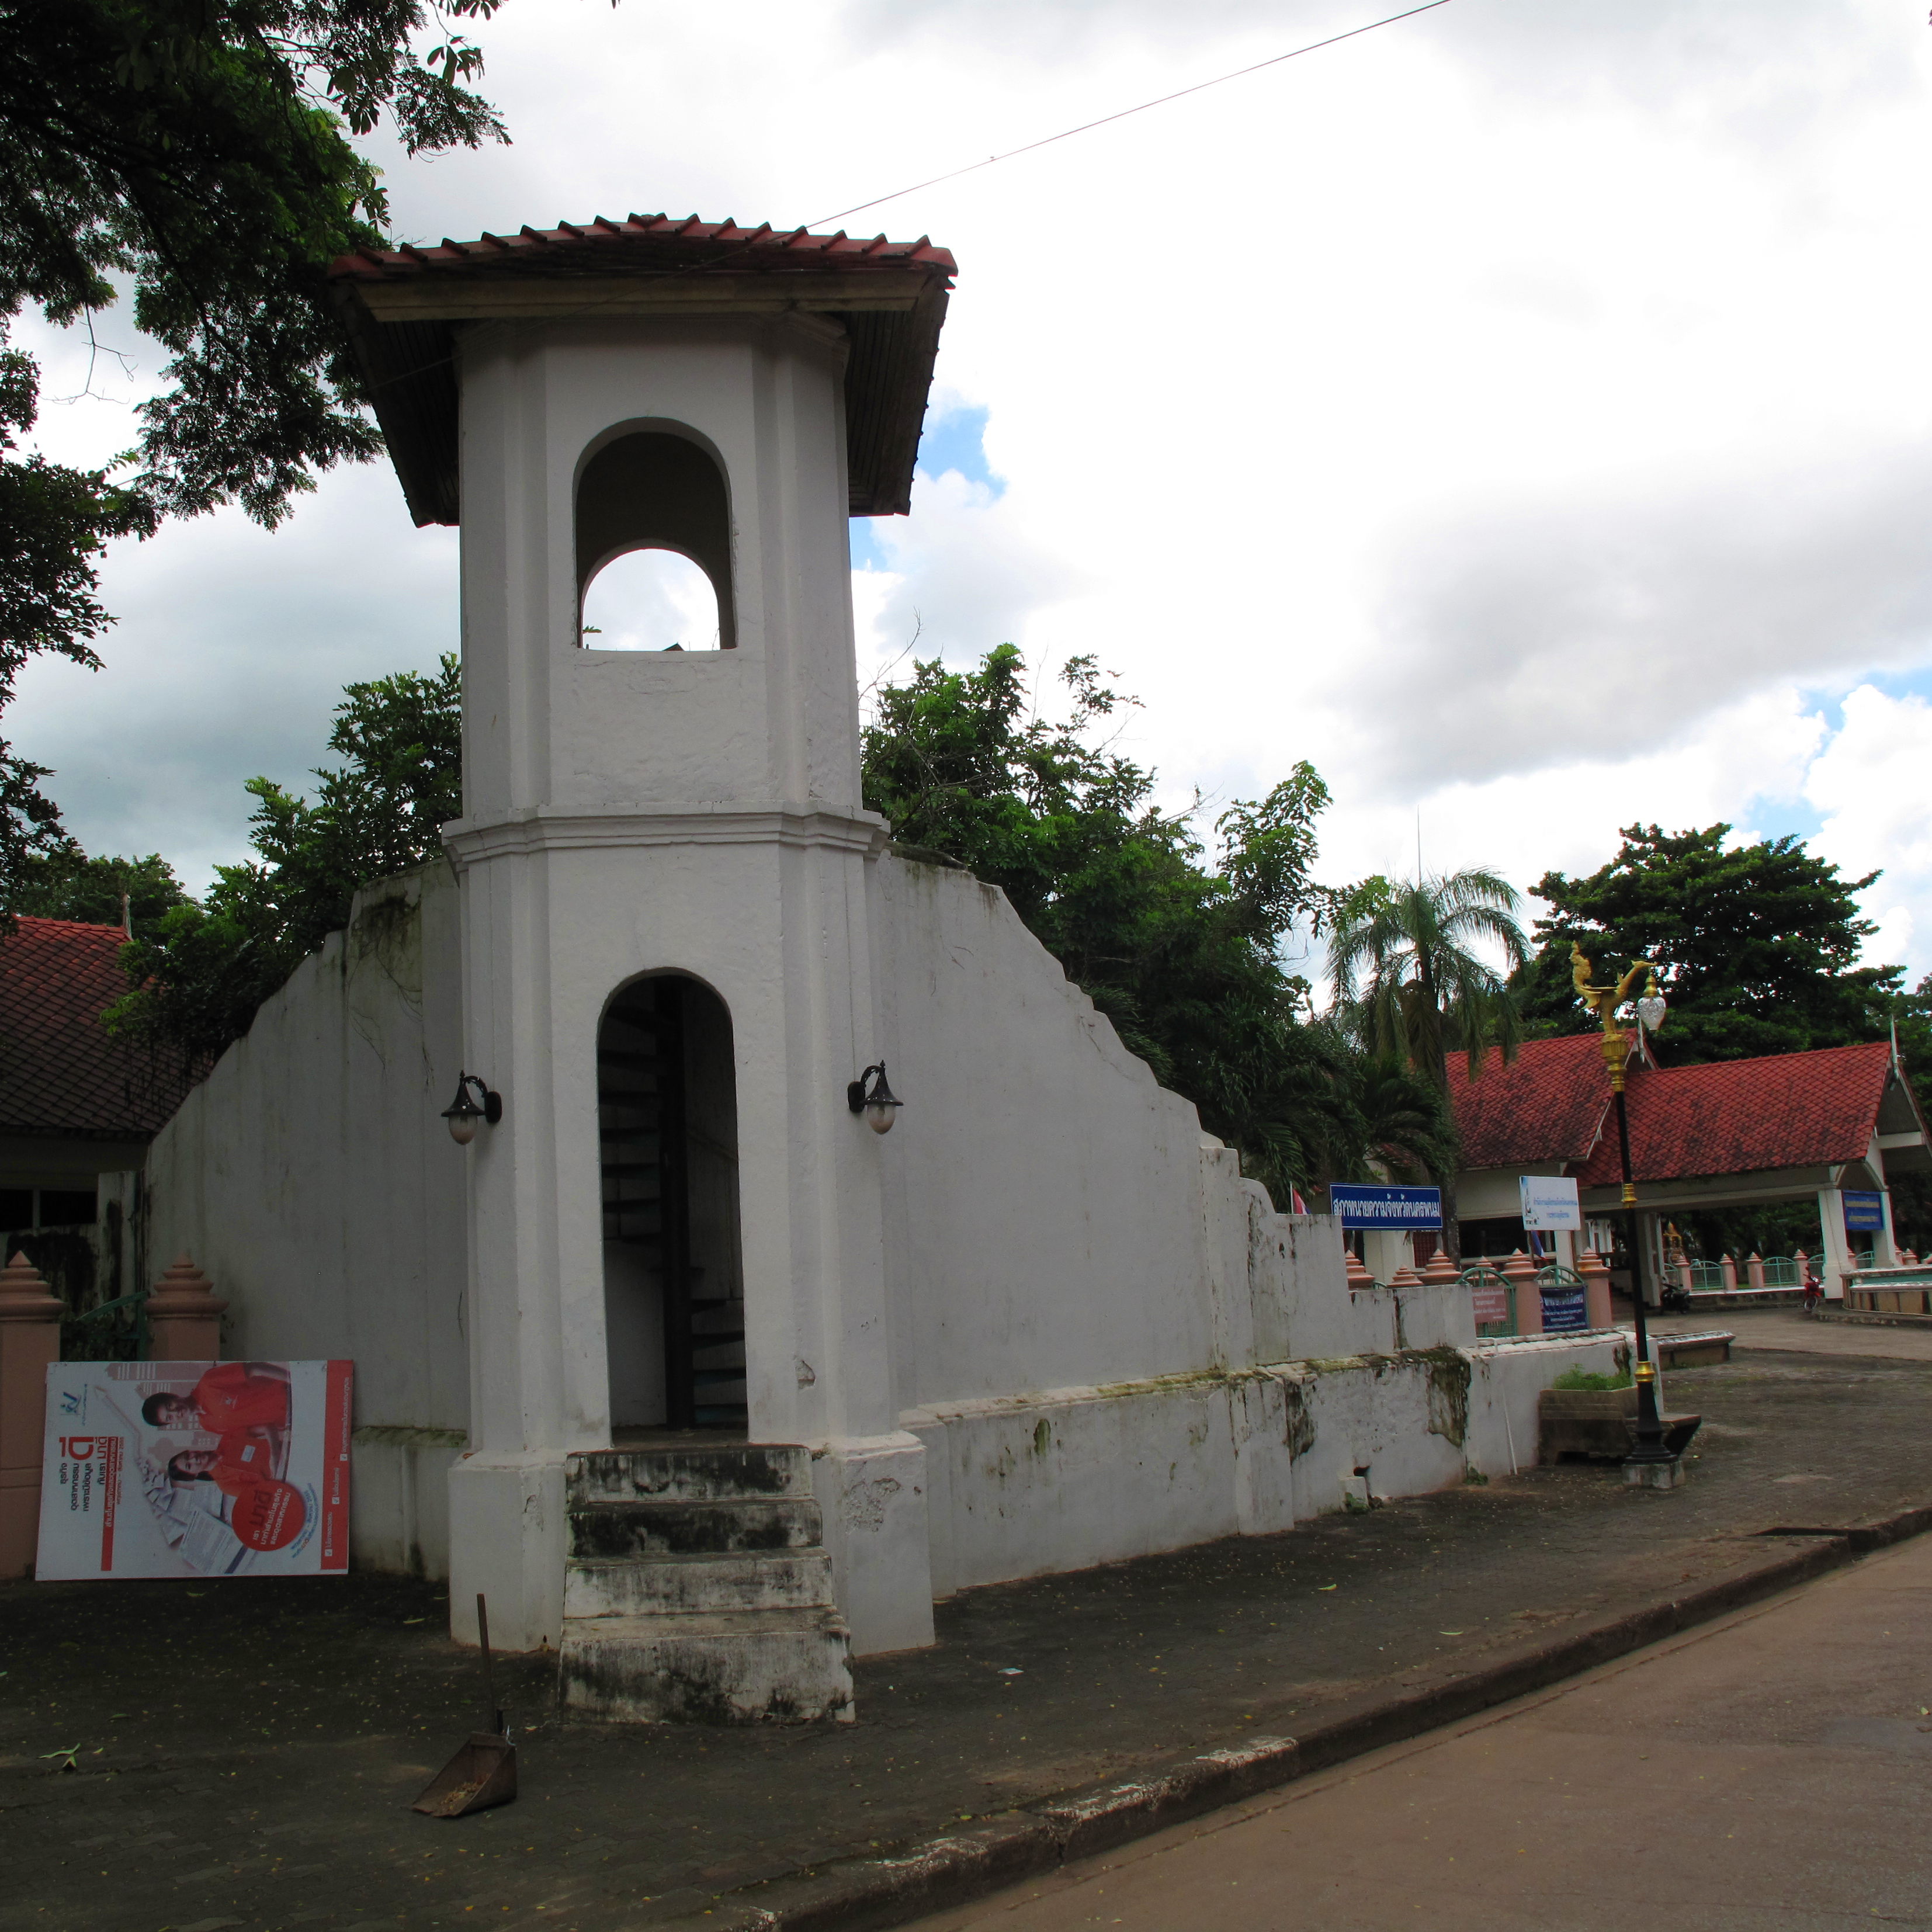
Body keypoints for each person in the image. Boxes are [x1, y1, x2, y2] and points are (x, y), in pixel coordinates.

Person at [142, 1362, 290, 1434]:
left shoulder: (208, 1382)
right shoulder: (209, 1426)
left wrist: (293, 1380)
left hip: (290, 1392)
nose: (176, 1412)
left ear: (172, 1396)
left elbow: (254, 1368)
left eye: (170, 1406)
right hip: (292, 1421)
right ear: (172, 1423)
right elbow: (253, 1430)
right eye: (169, 1418)